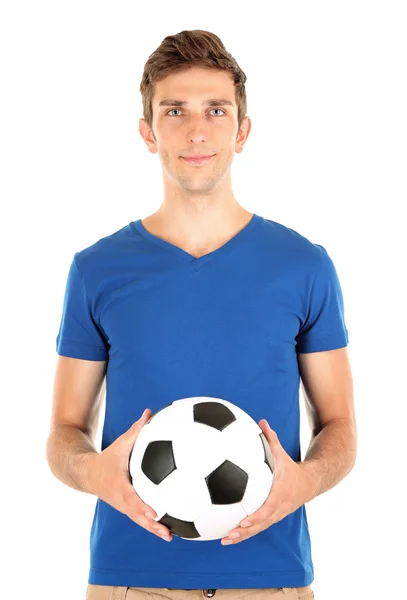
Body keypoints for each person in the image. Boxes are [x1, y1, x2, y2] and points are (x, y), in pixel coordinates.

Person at [46, 29, 357, 600]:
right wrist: (95, 473)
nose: (197, 130)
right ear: (148, 132)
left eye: (216, 110)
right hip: (130, 581)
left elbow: (340, 427)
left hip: (270, 582)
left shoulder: (304, 266)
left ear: (242, 130)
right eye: (175, 111)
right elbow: (64, 434)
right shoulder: (96, 269)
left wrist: (304, 482)